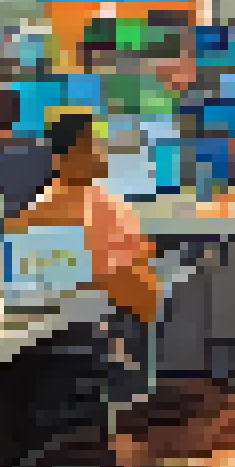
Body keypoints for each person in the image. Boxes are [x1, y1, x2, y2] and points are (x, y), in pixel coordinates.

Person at [13, 112, 160, 322]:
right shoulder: (58, 208)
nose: (103, 152)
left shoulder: (99, 196)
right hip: (105, 325)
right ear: (76, 151)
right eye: (96, 143)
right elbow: (125, 285)